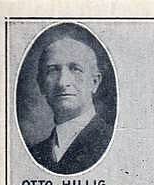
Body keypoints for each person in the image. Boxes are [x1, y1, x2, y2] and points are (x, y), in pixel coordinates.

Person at [29, 36, 113, 174]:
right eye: (53, 70)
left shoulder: (111, 141)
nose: (62, 83)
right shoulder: (34, 153)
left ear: (95, 82)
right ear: (41, 84)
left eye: (75, 69)